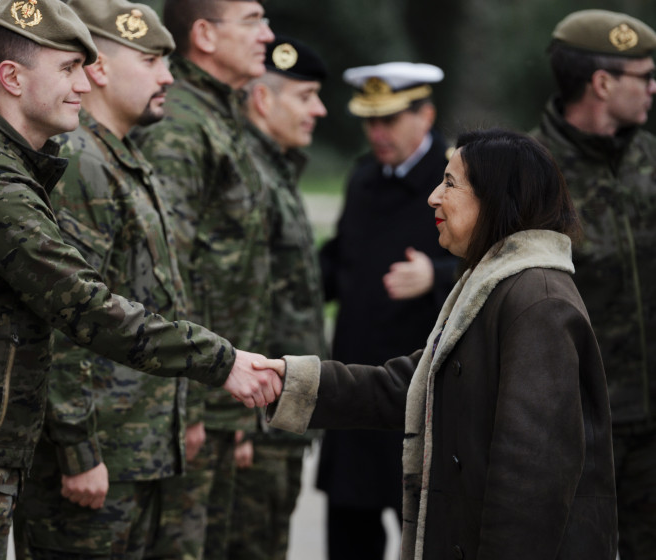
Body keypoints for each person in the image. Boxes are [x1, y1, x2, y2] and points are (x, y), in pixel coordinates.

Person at [0, 1, 280, 558]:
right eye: (67, 69)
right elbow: (83, 306)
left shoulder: (17, 167)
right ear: (11, 78)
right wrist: (221, 362)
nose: (85, 83)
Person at [260, 128, 617, 560]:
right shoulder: (499, 282)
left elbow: (532, 483)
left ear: (498, 198)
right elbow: (415, 385)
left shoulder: (537, 300)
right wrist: (287, 380)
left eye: (450, 183)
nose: (433, 197)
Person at [10, 1, 196, 558]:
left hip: (132, 445)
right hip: (99, 456)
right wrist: (77, 449)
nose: (168, 75)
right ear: (99, 69)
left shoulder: (118, 158)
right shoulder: (78, 162)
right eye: (151, 60)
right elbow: (63, 316)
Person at [131, 1, 274, 557]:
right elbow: (162, 275)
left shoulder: (218, 115)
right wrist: (187, 405)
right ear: (205, 35)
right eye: (253, 21)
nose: (267, 35)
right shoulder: (180, 127)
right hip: (187, 396)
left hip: (216, 391)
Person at [316, 61, 459, 560]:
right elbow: (340, 258)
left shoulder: (457, 179)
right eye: (369, 120)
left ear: (426, 115)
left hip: (417, 389)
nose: (377, 133)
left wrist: (436, 276)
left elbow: (494, 266)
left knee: (424, 537)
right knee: (349, 536)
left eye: (390, 120)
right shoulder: (363, 176)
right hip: (356, 382)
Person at [529, 10, 656, 559]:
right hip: (575, 430)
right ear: (602, 84)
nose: (654, 87)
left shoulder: (650, 159)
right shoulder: (530, 172)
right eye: (644, 76)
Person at [228, 35, 328, 560]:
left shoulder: (276, 170)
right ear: (264, 100)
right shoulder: (249, 175)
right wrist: (239, 424)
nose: (320, 109)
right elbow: (233, 297)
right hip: (255, 420)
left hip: (278, 415)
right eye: (306, 95)